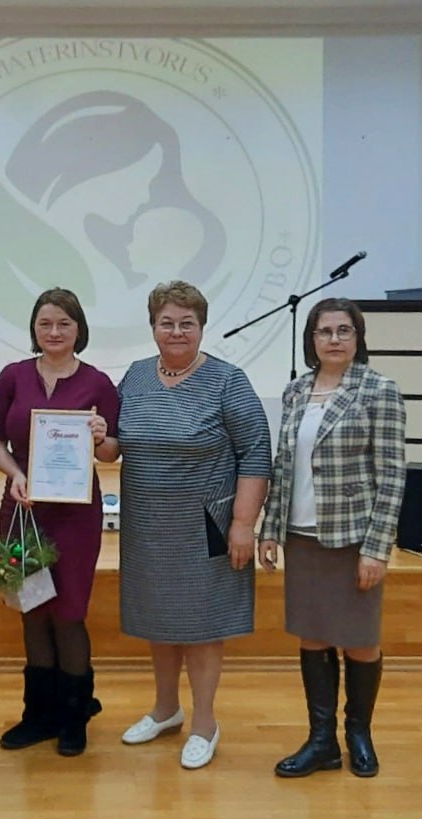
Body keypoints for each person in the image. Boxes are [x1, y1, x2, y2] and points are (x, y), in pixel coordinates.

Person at [105, 280, 270, 770]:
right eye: (166, 322)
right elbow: (115, 444)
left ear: (201, 326)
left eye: (186, 323)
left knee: (201, 626)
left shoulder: (227, 380)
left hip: (207, 524)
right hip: (147, 524)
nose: (176, 331)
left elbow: (256, 451)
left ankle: (204, 723)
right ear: (153, 326)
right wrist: (95, 436)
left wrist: (244, 523)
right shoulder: (135, 376)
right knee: (159, 619)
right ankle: (165, 709)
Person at [259, 297, 406, 779]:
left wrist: (377, 548)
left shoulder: (379, 390)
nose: (335, 340)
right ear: (312, 340)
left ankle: (357, 733)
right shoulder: (297, 391)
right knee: (314, 637)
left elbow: (392, 476)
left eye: (345, 331)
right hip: (303, 537)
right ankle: (321, 741)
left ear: (358, 338)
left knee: (360, 641)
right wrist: (270, 529)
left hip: (353, 539)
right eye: (326, 331)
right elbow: (284, 466)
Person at [0, 288, 120, 757]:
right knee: (33, 608)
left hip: (76, 512)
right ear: (34, 329)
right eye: (45, 323)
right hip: (22, 506)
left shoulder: (98, 382)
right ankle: (37, 714)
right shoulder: (13, 376)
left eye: (64, 323)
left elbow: (111, 451)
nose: (54, 332)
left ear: (78, 328)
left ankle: (75, 713)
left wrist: (103, 438)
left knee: (68, 613)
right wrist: (15, 474)